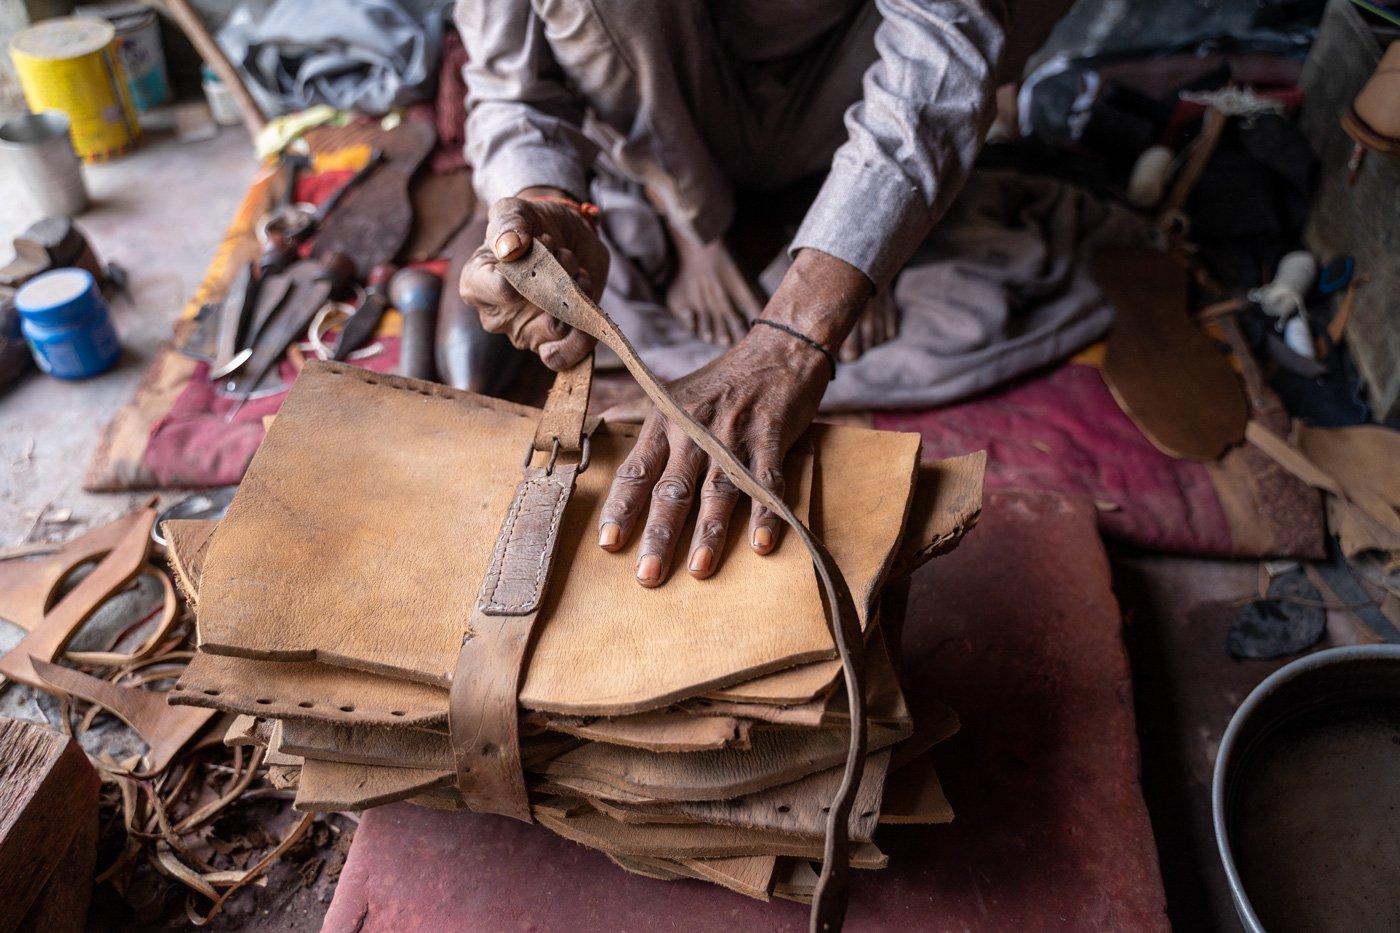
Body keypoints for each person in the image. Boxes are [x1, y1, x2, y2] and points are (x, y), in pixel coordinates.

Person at [456, 0, 1069, 588]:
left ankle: (857, 221)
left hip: (843, 84)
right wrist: (548, 201)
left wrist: (794, 337)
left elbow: (943, 46)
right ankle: (691, 218)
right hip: (671, 126)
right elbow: (510, 89)